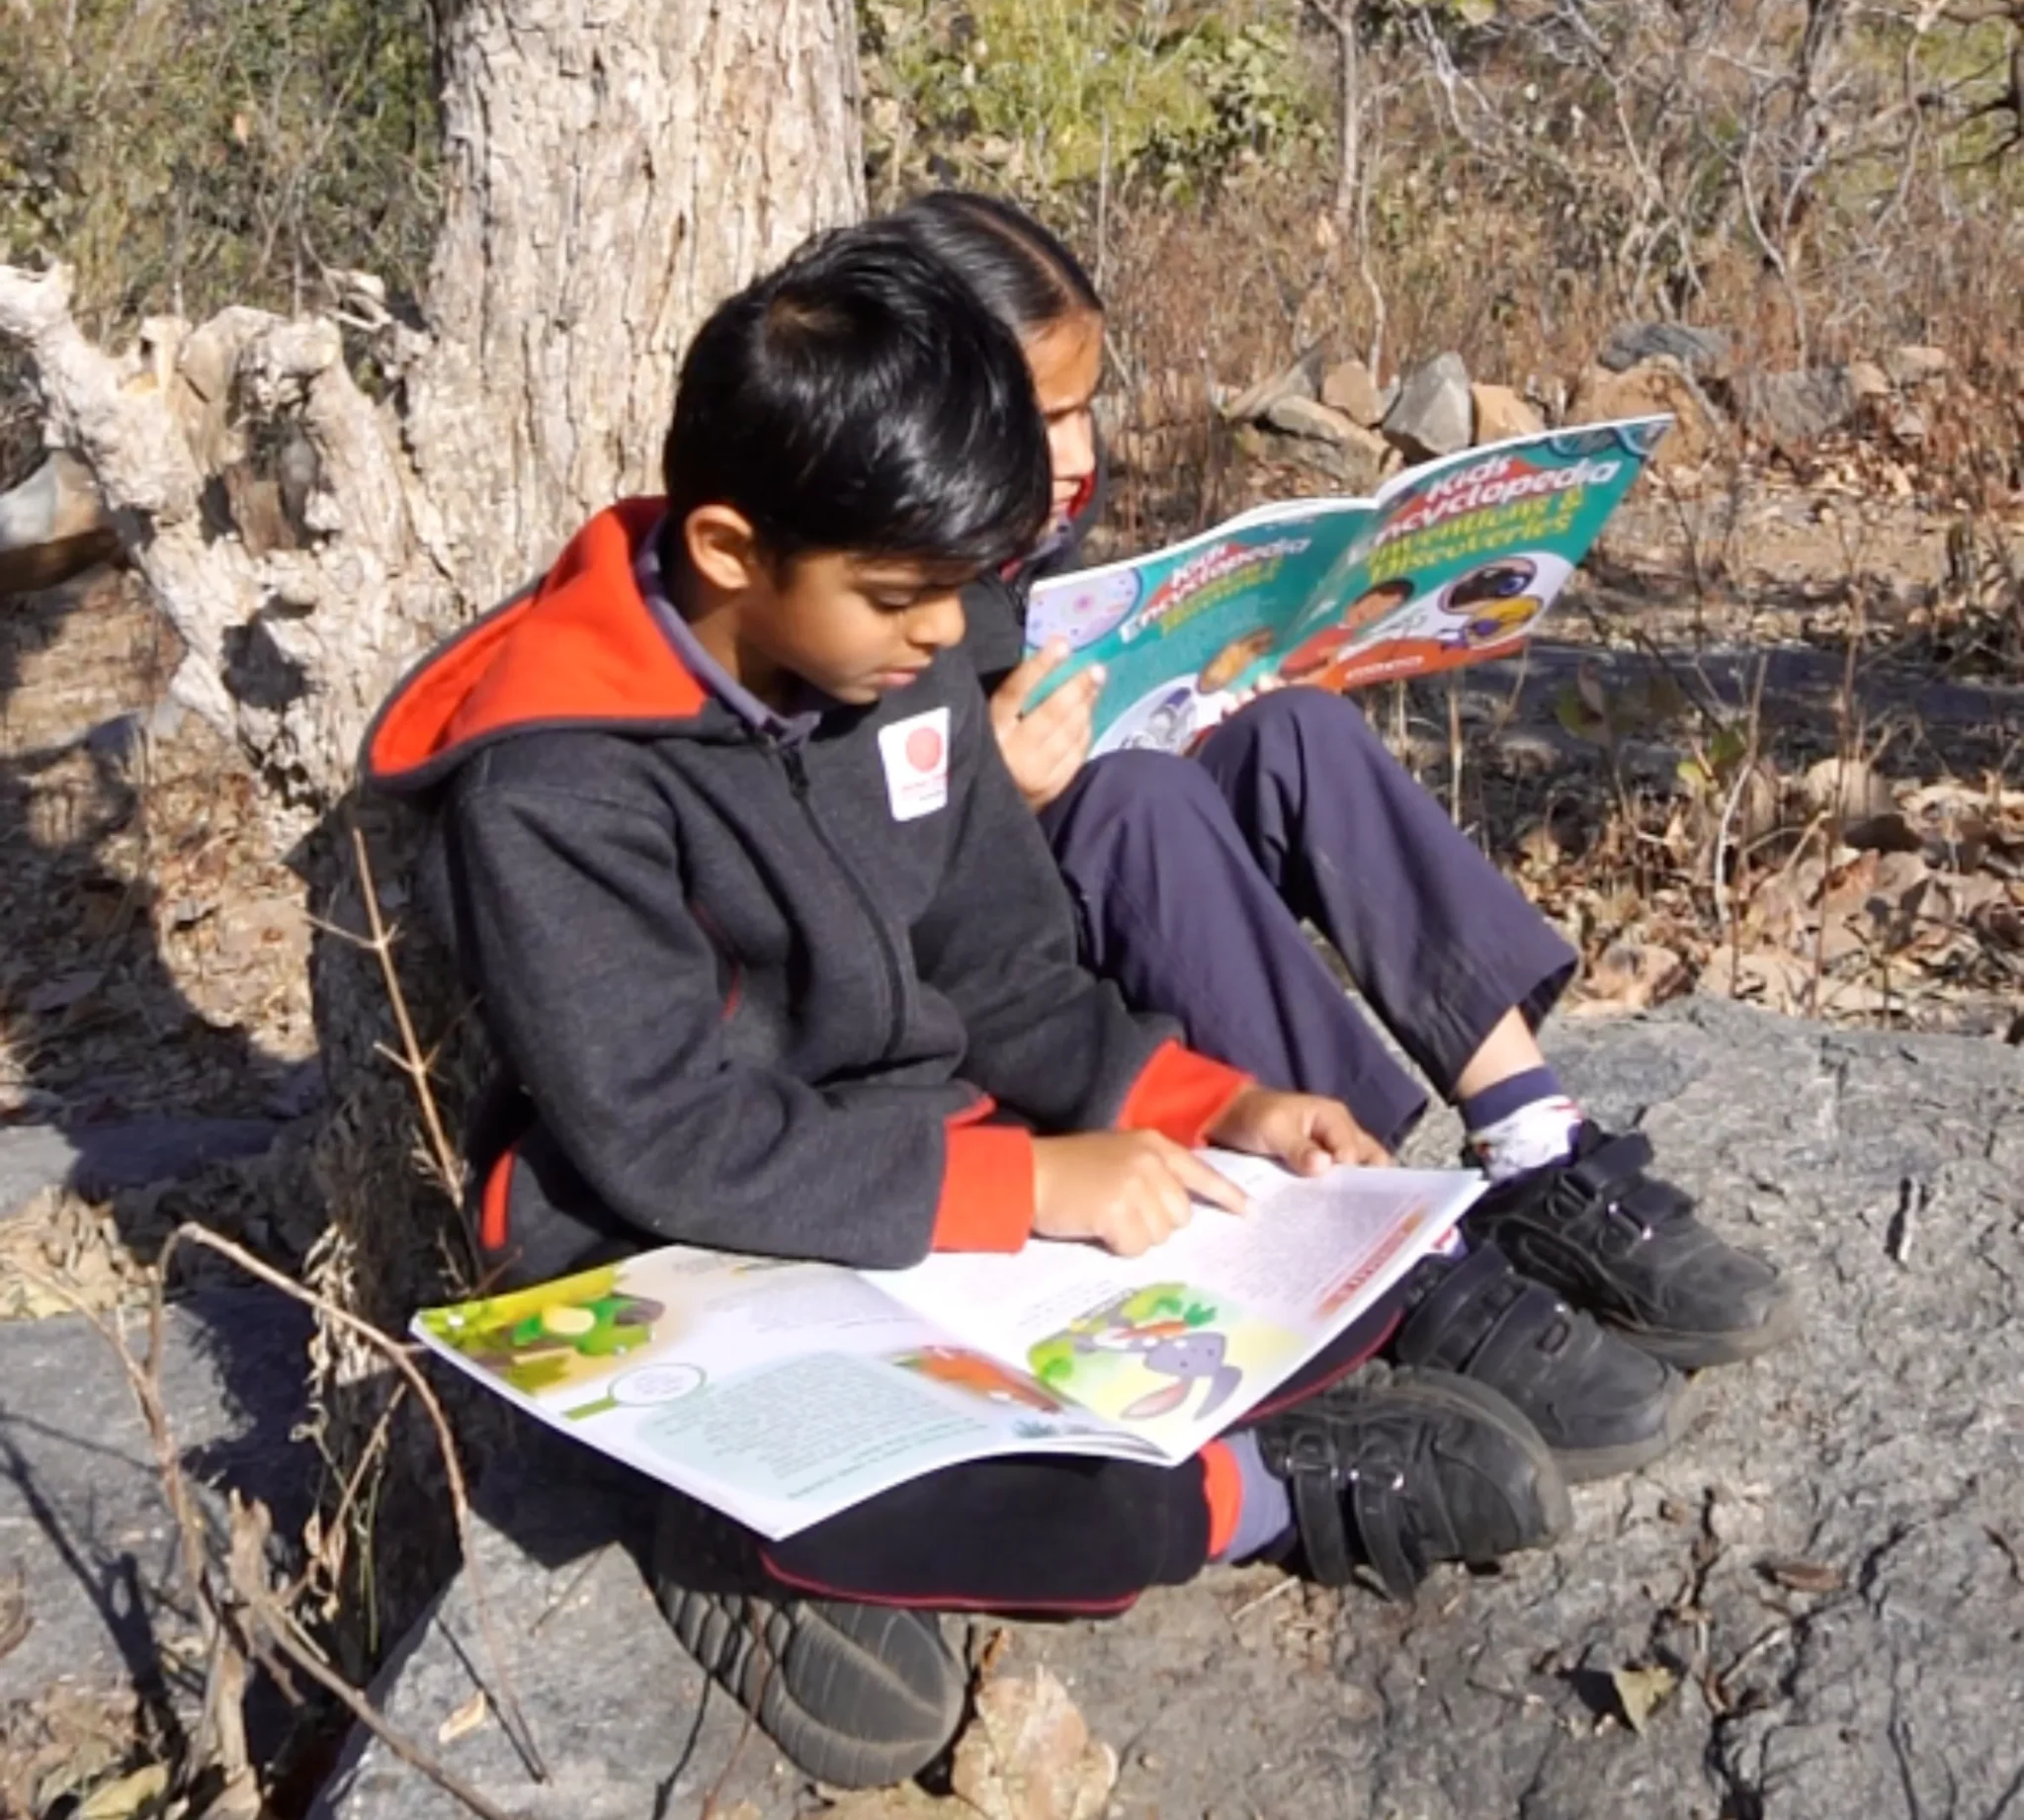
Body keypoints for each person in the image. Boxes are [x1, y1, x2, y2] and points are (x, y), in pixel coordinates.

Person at [364, 227, 1570, 1794]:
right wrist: (1025, 1187)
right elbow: (669, 1137)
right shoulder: (557, 788)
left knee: (1252, 1293)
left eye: (960, 587)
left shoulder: (895, 667)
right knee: (1013, 1513)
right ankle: (1240, 1500)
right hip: (665, 1247)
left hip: (919, 1177)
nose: (948, 634)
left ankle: (888, 1518)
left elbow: (1007, 970)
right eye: (902, 595)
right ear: (729, 549)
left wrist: (1212, 1105)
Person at [885, 191, 1794, 1444]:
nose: (1079, 452)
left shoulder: (1013, 545)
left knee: (1291, 733)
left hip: (1091, 895)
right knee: (1138, 801)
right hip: (1011, 998)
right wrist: (999, 788)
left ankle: (1529, 1139)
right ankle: (1377, 1241)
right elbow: (875, 878)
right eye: (1043, 421)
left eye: (1087, 408)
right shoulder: (876, 589)